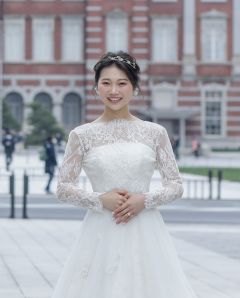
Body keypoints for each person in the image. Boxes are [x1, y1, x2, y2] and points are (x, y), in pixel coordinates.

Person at [53, 51, 194, 297]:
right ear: (96, 87)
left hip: (145, 229)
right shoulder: (81, 135)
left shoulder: (155, 133)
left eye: (122, 83)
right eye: (106, 83)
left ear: (134, 87)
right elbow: (63, 188)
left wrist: (144, 200)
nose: (113, 91)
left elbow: (176, 186)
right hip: (100, 230)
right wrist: (100, 199)